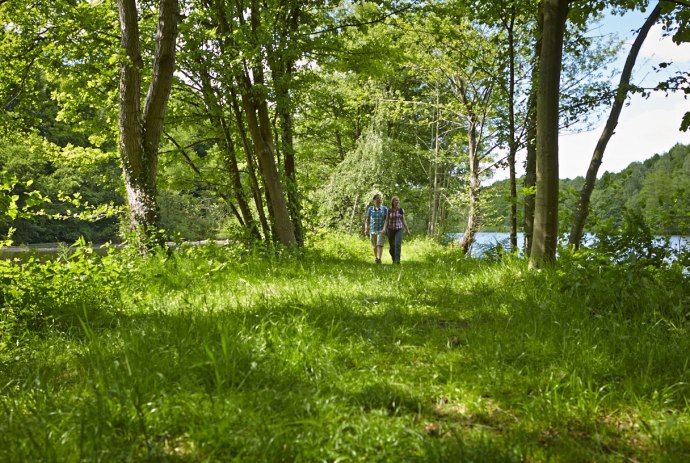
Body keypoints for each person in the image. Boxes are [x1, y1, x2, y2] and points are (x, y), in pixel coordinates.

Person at [383, 196, 411, 264]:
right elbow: (386, 220)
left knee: (397, 244)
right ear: (392, 202)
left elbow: (403, 220)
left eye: (398, 200)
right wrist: (384, 229)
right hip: (390, 229)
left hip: (399, 229)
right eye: (396, 200)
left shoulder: (401, 210)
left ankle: (397, 260)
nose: (397, 202)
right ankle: (394, 258)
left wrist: (407, 230)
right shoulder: (389, 210)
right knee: (392, 247)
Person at [363, 193, 388, 264]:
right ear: (374, 200)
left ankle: (379, 259)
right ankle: (376, 258)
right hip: (373, 230)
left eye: (380, 198)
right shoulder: (370, 209)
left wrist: (384, 229)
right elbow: (367, 220)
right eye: (377, 198)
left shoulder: (385, 209)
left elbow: (386, 220)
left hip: (381, 230)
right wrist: (366, 229)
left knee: (379, 244)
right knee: (374, 246)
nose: (379, 199)